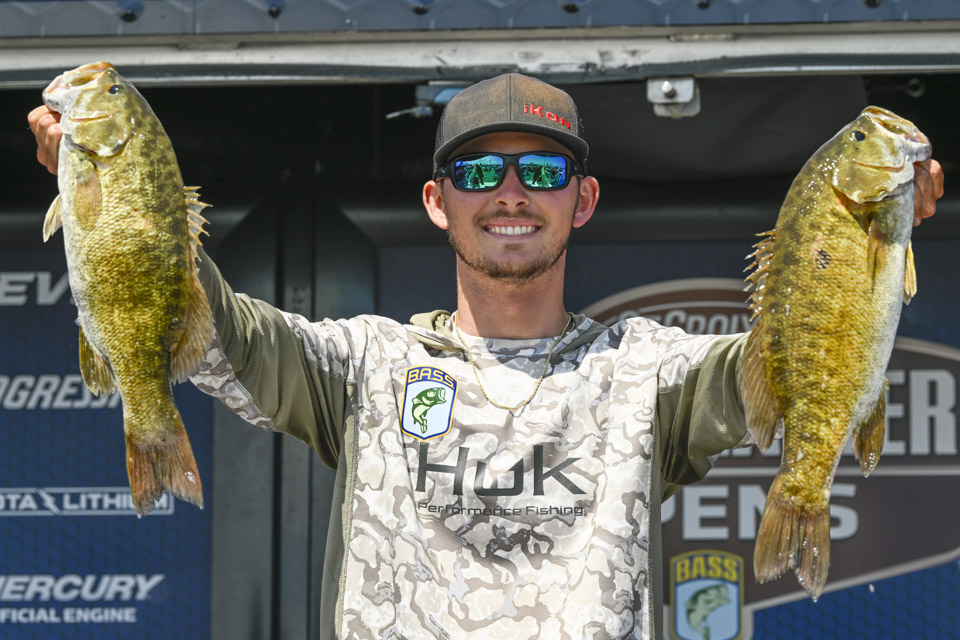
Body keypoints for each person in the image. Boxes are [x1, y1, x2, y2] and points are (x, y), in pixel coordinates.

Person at [29, 73, 944, 639]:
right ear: (438, 202)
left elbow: (796, 355)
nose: (510, 193)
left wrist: (867, 231)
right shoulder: (365, 365)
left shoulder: (649, 372)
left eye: (541, 172)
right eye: (477, 172)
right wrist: (115, 188)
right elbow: (217, 332)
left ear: (582, 200)